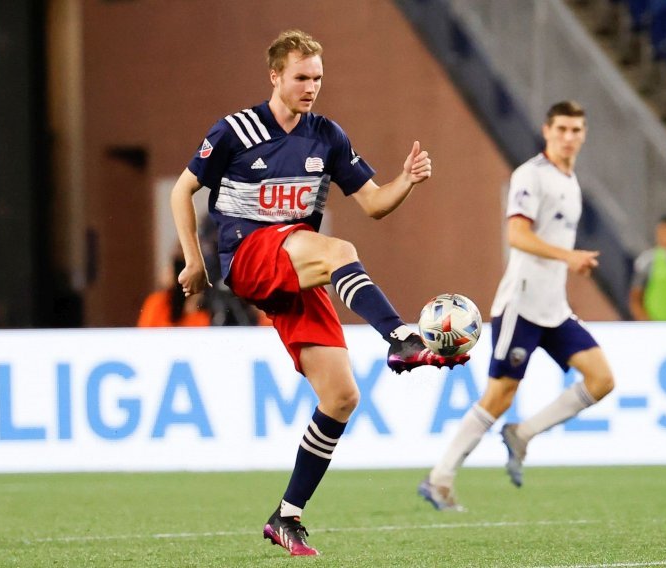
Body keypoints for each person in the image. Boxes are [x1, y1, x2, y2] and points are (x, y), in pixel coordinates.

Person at [169, 29, 469, 556]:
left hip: (296, 264)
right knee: (337, 248)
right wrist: (195, 259)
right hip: (249, 255)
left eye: (318, 79)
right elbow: (181, 189)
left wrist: (407, 180)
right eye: (301, 78)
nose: (311, 87)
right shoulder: (236, 130)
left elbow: (375, 203)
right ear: (275, 77)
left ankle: (286, 516)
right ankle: (399, 336)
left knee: (341, 396)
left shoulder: (327, 136)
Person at [418, 101, 615, 511]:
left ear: (584, 134)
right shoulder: (531, 175)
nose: (568, 136)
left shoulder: (571, 181)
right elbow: (518, 236)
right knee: (499, 395)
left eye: (576, 129)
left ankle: (522, 435)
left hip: (553, 308)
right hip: (521, 305)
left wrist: (566, 261)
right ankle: (440, 478)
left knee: (601, 379)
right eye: (561, 128)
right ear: (547, 131)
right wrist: (570, 257)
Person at [137, 255, 211, 327]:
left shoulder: (200, 312)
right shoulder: (156, 302)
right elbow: (145, 333)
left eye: (169, 270)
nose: (164, 272)